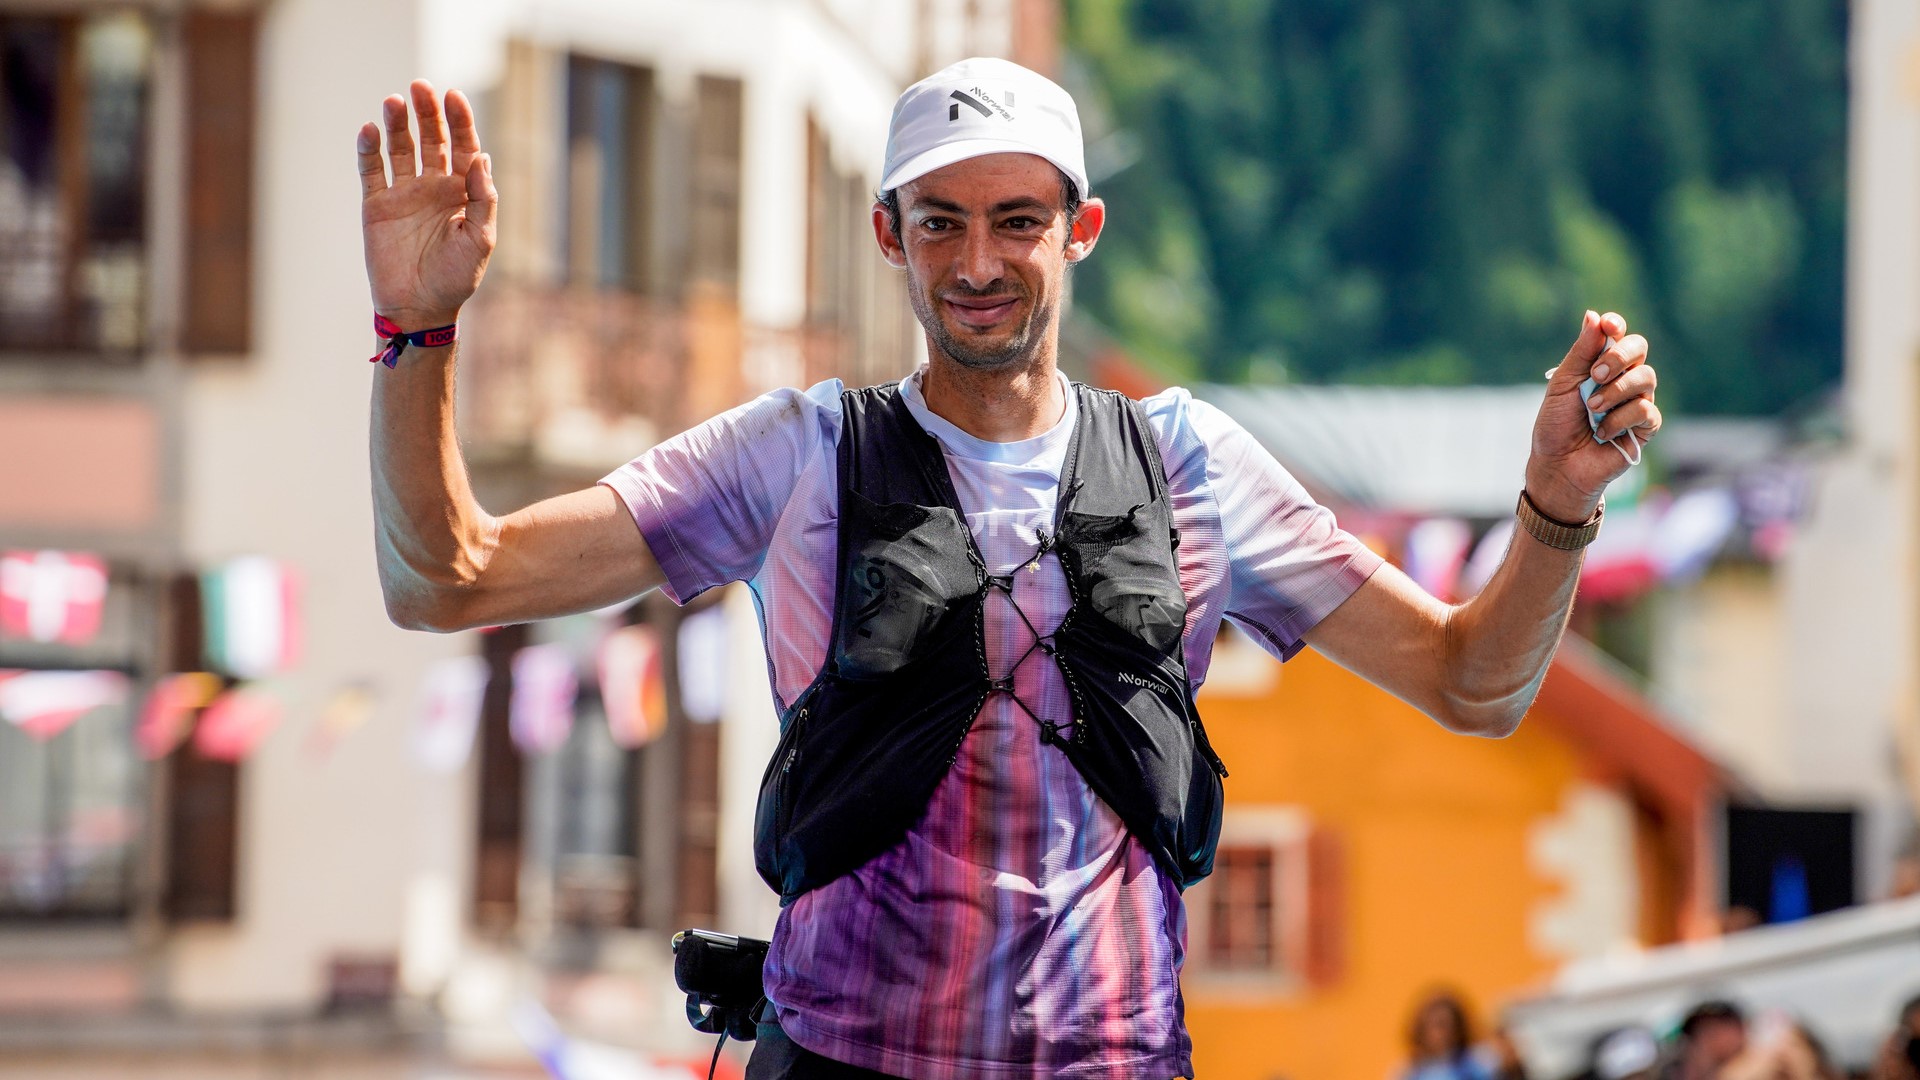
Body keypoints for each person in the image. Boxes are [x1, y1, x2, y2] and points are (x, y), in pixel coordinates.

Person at [357, 56, 1663, 1080]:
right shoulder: (799, 455)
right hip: (845, 1063)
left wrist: (1553, 507)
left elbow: (1473, 683)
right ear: (890, 236)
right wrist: (419, 329)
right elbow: (449, 580)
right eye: (942, 225)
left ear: (1081, 228)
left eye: (1017, 222)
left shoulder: (1192, 466)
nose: (978, 263)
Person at [1400, 991, 1494, 1080]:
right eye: (1430, 1025)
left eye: (1442, 1025)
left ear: (1458, 1029)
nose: (1436, 1032)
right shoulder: (1409, 1070)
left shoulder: (1476, 1065)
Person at [1662, 1002, 1749, 1080]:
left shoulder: (1753, 1065)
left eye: (1715, 1030)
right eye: (1698, 1032)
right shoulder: (1687, 1068)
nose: (1706, 1039)